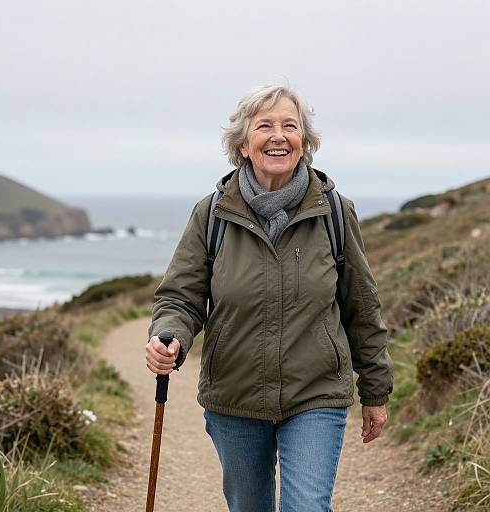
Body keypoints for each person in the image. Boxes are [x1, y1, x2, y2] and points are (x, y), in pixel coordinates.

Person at [145, 84, 394, 512]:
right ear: (243, 143)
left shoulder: (335, 212)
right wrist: (169, 335)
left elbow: (361, 306)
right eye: (265, 126)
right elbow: (181, 297)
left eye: (290, 126)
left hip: (315, 394)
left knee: (307, 507)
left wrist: (375, 390)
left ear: (304, 142)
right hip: (235, 394)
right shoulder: (212, 215)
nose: (279, 136)